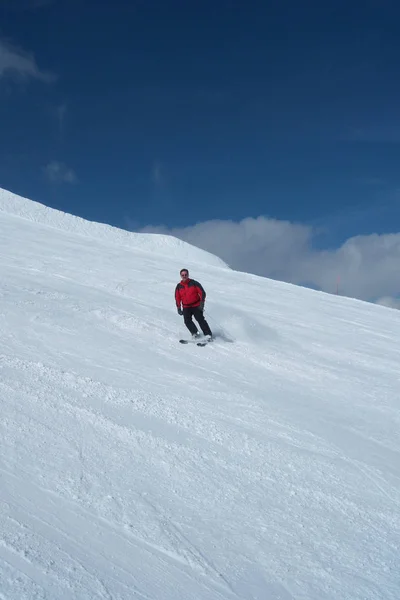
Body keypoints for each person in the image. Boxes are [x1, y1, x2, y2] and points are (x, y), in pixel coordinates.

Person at [175, 268, 213, 339]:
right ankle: (195, 333)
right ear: (180, 276)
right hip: (186, 307)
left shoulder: (194, 283)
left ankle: (208, 335)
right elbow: (177, 298)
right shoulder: (179, 286)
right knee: (187, 321)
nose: (184, 276)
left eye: (185, 274)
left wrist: (202, 304)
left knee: (200, 319)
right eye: (183, 275)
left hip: (196, 305)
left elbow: (202, 293)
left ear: (188, 275)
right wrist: (179, 308)